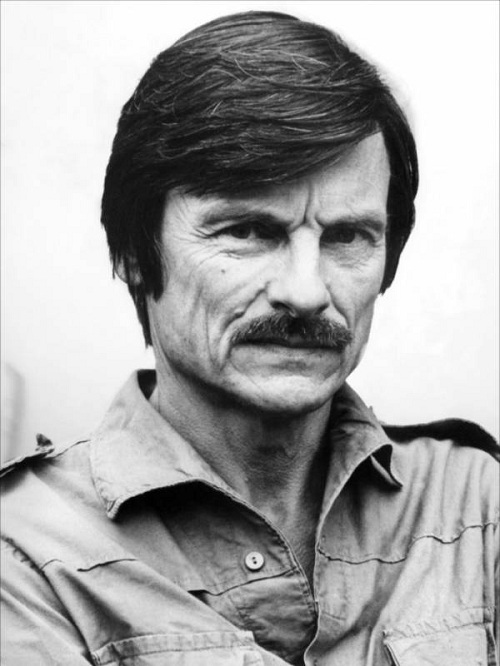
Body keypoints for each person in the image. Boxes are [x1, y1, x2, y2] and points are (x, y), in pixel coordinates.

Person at [1, 11, 498, 666]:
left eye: (348, 236)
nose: (306, 292)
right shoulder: (27, 553)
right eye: (249, 231)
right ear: (134, 254)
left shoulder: (477, 505)